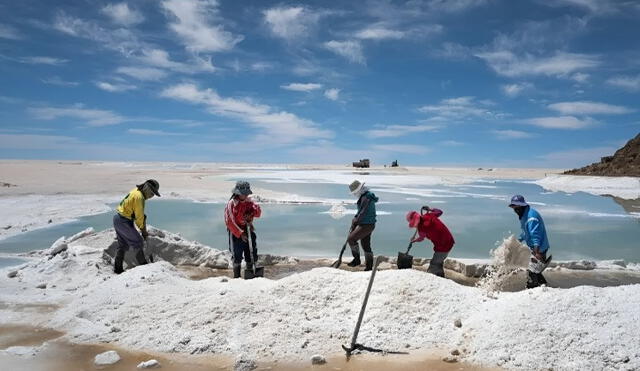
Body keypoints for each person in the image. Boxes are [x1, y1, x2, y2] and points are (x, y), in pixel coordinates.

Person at [113, 179, 161, 274]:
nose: (151, 196)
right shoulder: (140, 197)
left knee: (123, 245)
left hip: (118, 219)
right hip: (124, 221)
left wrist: (142, 220)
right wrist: (143, 231)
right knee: (138, 241)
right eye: (151, 193)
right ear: (146, 188)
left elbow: (137, 213)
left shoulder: (136, 191)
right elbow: (139, 217)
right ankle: (144, 268)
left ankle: (117, 269)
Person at [508, 195, 551, 289]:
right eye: (514, 208)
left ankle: (532, 290)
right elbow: (526, 232)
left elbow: (536, 235)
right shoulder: (524, 215)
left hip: (539, 249)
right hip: (535, 248)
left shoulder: (531, 218)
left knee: (532, 272)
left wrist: (537, 253)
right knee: (535, 271)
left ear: (522, 206)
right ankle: (545, 287)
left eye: (517, 208)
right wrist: (518, 241)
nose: (516, 211)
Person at [224, 181, 262, 278]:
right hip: (235, 232)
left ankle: (251, 274)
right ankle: (236, 276)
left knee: (251, 252)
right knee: (237, 255)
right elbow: (229, 221)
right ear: (237, 193)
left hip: (248, 229)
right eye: (243, 194)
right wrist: (240, 234)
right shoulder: (231, 204)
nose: (244, 196)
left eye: (246, 194)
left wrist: (251, 214)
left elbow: (258, 213)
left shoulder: (249, 202)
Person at [406, 206, 455, 277]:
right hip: (449, 240)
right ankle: (441, 277)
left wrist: (414, 240)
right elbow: (440, 212)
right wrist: (430, 209)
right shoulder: (430, 215)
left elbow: (421, 238)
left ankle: (431, 278)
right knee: (438, 262)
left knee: (434, 264)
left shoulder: (422, 229)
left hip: (443, 246)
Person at [347, 180, 379, 271]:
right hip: (368, 224)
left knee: (351, 239)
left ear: (359, 190)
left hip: (366, 225)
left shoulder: (366, 198)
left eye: (355, 192)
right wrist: (355, 218)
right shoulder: (365, 196)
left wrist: (355, 221)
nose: (354, 194)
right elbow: (360, 212)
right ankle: (369, 266)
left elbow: (363, 213)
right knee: (365, 244)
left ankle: (357, 260)